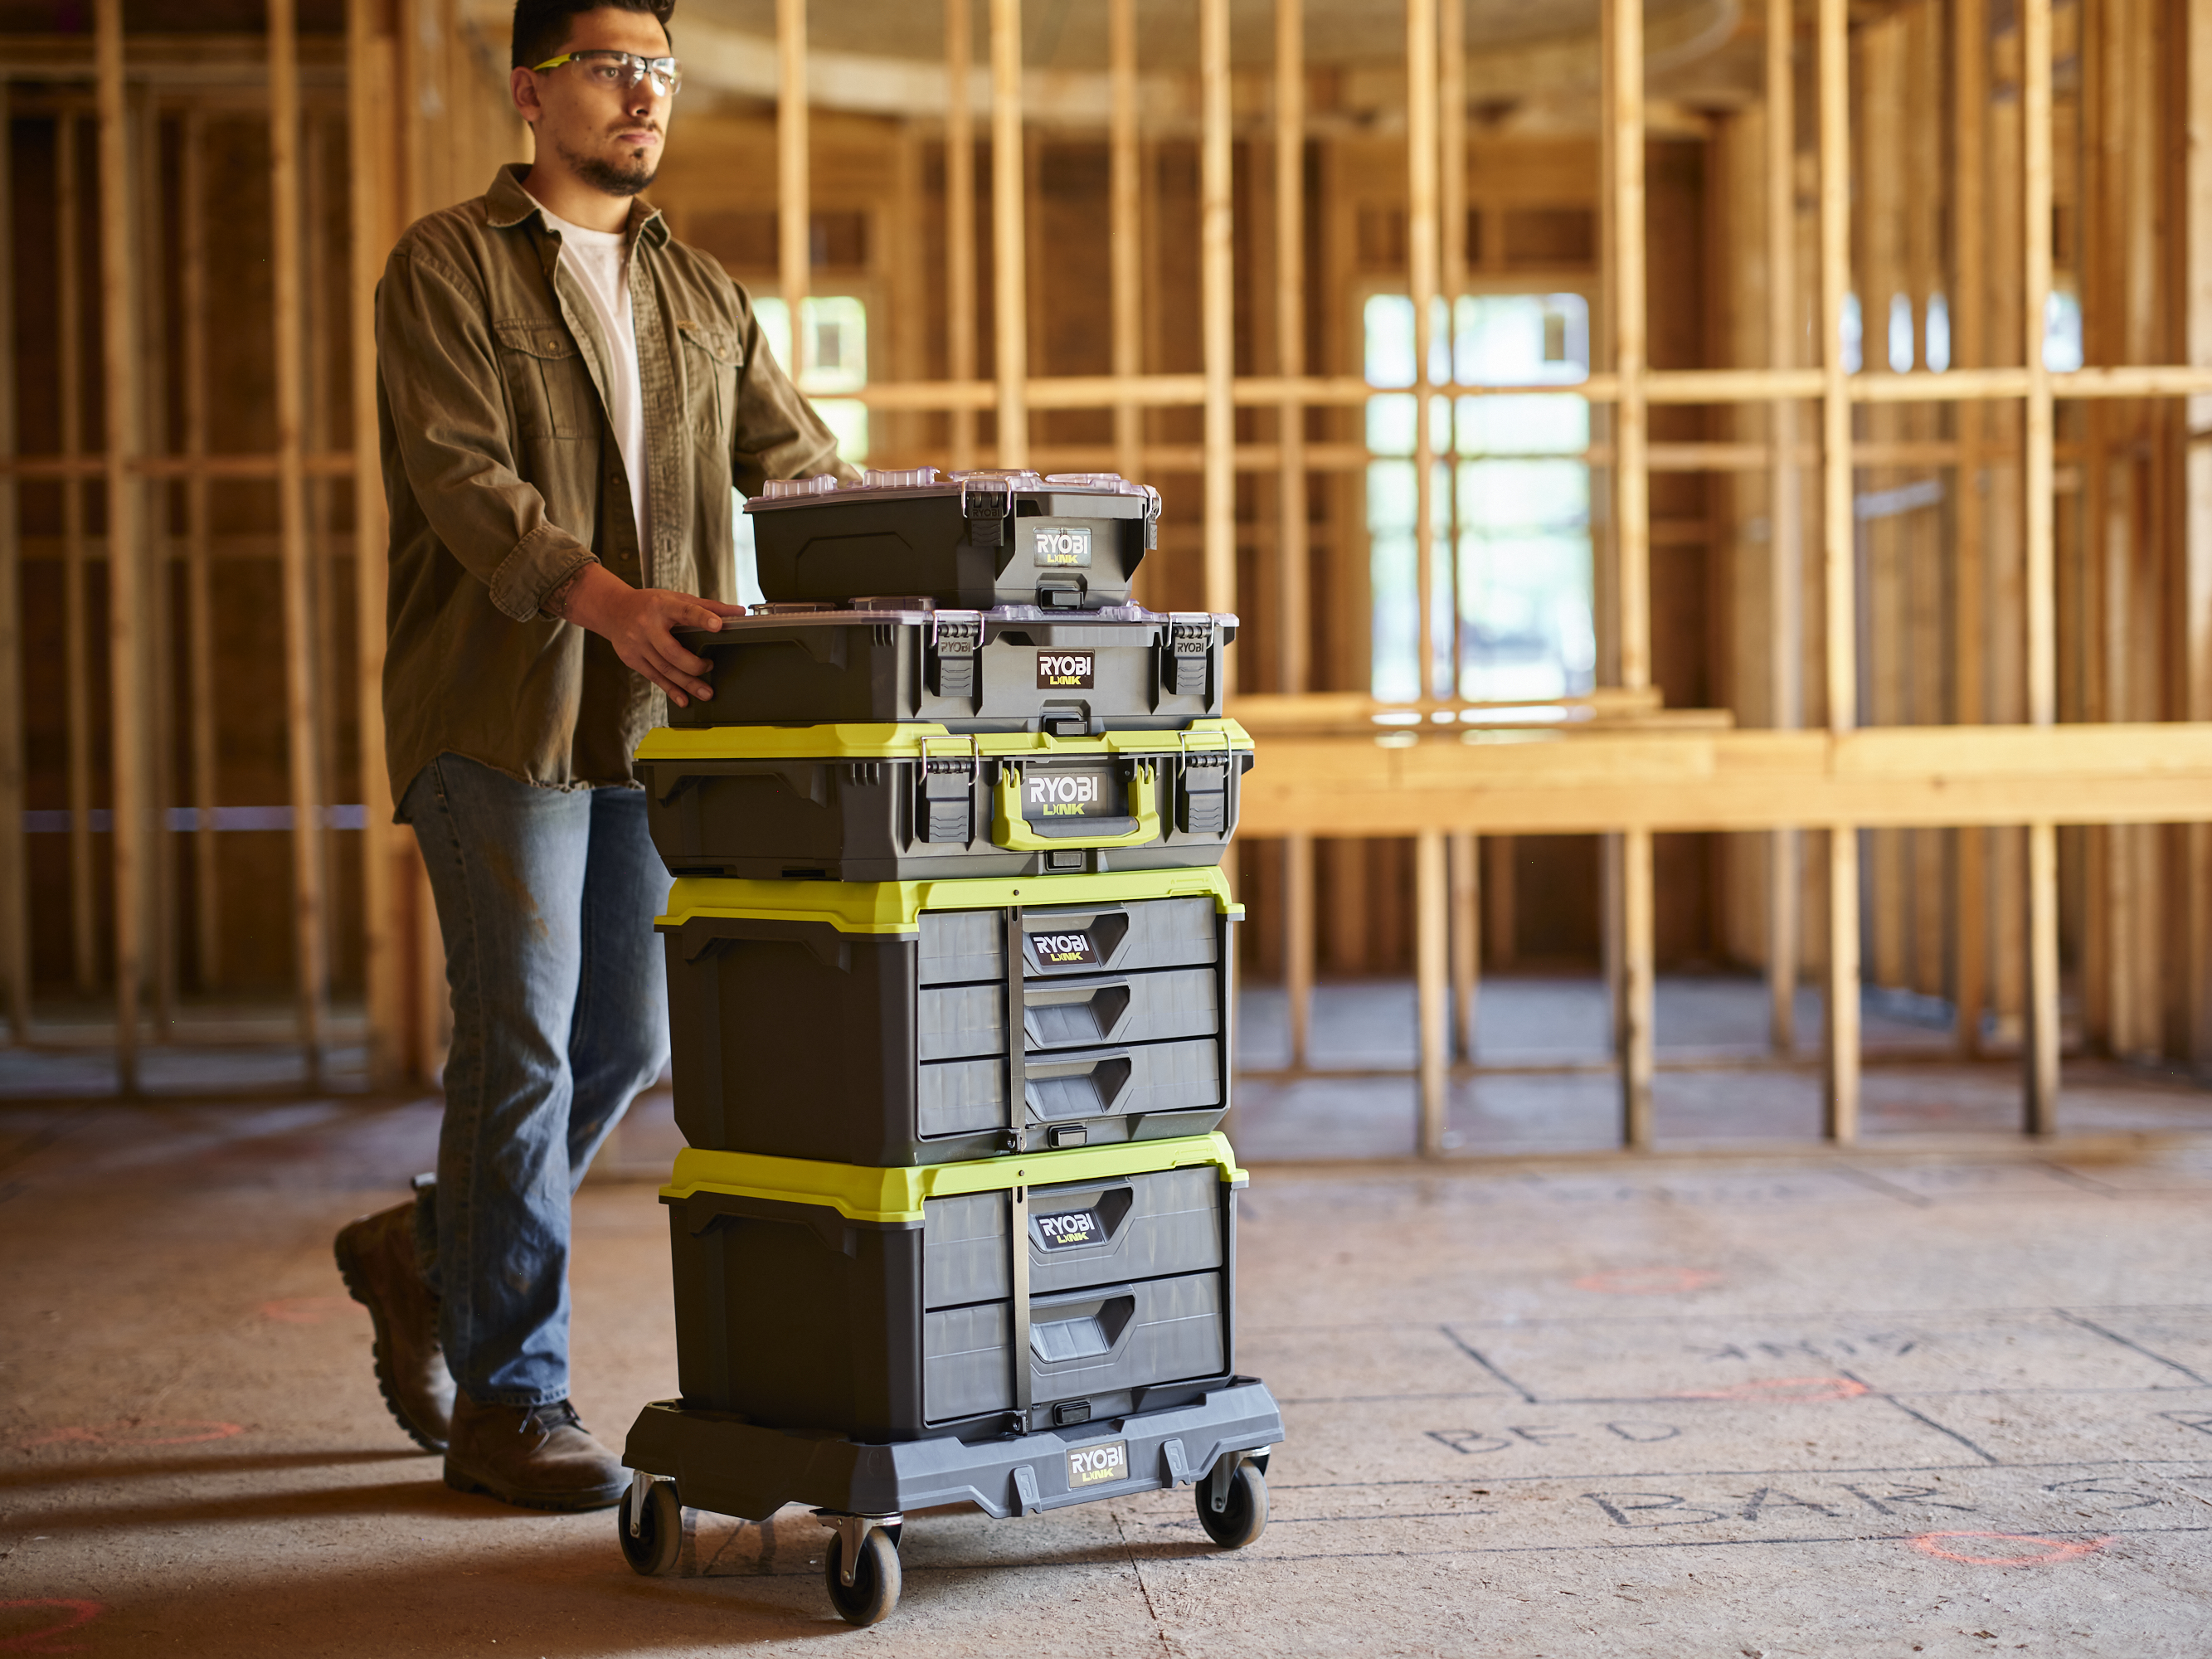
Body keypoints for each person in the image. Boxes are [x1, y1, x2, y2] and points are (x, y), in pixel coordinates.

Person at [334, 0, 853, 1512]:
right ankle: (512, 1402)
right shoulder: (444, 266)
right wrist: (613, 602)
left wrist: (929, 549)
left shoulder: (701, 293)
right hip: (495, 717)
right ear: (530, 90)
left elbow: (800, 471)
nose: (646, 94)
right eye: (614, 67)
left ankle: (427, 1249)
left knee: (624, 1041)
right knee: (523, 1044)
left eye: (662, 71)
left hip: (646, 729)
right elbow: (462, 478)